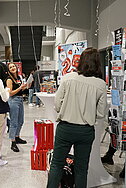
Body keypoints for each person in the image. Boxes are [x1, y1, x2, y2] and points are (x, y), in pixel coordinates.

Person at [47, 47, 107, 188]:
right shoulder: (100, 84)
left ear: (81, 61)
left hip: (65, 128)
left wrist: (66, 110)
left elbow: (56, 104)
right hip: (86, 131)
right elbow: (101, 113)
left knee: (56, 164)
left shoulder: (68, 78)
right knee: (81, 169)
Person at [6, 63, 27, 152]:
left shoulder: (18, 78)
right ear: (9, 70)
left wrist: (24, 88)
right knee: (14, 122)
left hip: (20, 100)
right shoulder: (9, 80)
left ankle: (17, 136)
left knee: (21, 121)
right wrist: (20, 88)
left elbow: (19, 90)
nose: (13, 68)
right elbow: (10, 93)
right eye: (10, 67)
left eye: (13, 66)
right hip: (13, 101)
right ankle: (13, 142)